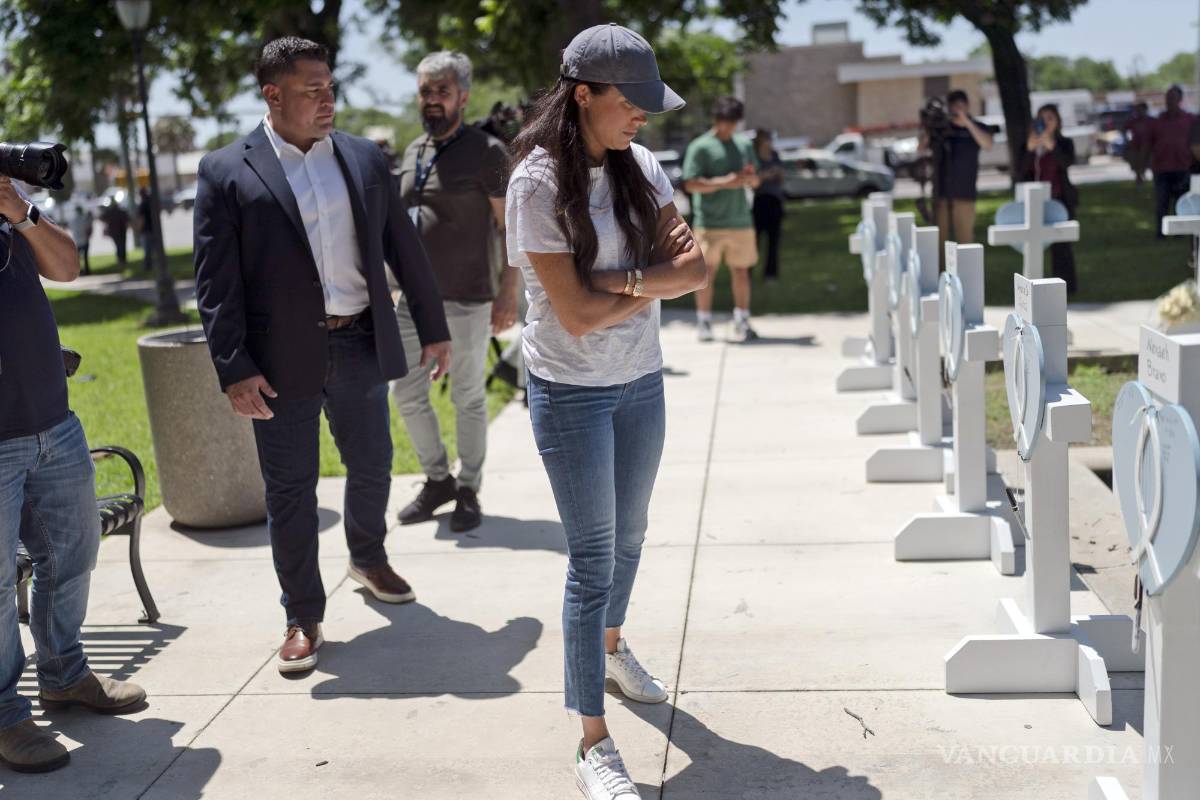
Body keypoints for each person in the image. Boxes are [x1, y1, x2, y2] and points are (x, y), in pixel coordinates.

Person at [192, 36, 452, 676]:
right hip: (278, 361)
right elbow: (214, 283)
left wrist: (434, 326)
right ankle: (302, 615)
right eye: (313, 91)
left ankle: (367, 556)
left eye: (331, 88)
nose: (328, 101)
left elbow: (404, 250)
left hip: (361, 337)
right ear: (272, 95)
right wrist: (234, 366)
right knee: (291, 490)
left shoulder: (364, 158)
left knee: (372, 464)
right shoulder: (227, 170)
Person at [507, 23, 706, 800]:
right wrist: (647, 279)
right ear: (582, 95)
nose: (644, 118)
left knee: (632, 535)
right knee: (591, 560)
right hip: (569, 393)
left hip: (641, 382)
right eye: (632, 102)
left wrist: (621, 283)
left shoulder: (641, 164)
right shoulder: (534, 183)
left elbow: (693, 269)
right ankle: (591, 740)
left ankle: (612, 649)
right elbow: (573, 317)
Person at [0, 177, 147, 774]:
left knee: (74, 552)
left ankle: (63, 674)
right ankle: (5, 713)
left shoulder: (10, 217)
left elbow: (67, 266)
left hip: (53, 425)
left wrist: (20, 211)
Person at [390, 51, 520, 534]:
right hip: (411, 300)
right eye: (425, 91)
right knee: (405, 392)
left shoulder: (487, 152)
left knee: (467, 395)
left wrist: (509, 292)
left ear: (463, 97)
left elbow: (512, 228)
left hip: (468, 296)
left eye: (441, 91)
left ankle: (468, 488)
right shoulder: (413, 151)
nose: (432, 100)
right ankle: (437, 479)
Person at [683, 96, 760, 342]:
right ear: (716, 120)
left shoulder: (743, 145)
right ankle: (704, 321)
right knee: (705, 273)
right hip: (709, 223)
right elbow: (691, 184)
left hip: (740, 221)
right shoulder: (701, 147)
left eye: (733, 123)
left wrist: (749, 179)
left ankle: (743, 319)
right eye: (725, 122)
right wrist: (724, 182)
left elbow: (756, 180)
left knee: (741, 272)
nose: (729, 128)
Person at [921, 89, 994, 255]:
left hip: (965, 194)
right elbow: (921, 148)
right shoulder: (941, 129)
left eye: (961, 106)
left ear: (968, 106)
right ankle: (940, 276)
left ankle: (965, 278)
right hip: (941, 194)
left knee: (965, 242)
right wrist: (929, 126)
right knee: (939, 244)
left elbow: (988, 144)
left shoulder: (978, 127)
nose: (958, 110)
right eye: (954, 106)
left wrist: (967, 123)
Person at [1021, 104, 1079, 294]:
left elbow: (1067, 162)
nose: (1045, 122)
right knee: (1032, 245)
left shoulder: (1064, 142)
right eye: (1042, 118)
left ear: (1057, 123)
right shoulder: (1029, 143)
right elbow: (1020, 171)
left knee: (1061, 245)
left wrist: (1051, 146)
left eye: (1050, 118)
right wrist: (1030, 150)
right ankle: (1032, 285)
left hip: (1059, 197)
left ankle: (1064, 286)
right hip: (1033, 201)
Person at [1149, 85, 1195, 238]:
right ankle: (1161, 233)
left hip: (1183, 166)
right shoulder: (1158, 121)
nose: (1169, 102)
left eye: (1172, 98)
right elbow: (1150, 144)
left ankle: (1181, 232)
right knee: (1162, 202)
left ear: (1180, 100)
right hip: (1162, 168)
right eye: (1167, 98)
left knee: (1181, 202)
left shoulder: (1189, 120)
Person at [751, 129, 785, 283]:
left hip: (775, 201)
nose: (769, 142)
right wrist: (766, 175)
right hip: (759, 201)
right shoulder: (754, 157)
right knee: (754, 241)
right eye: (766, 139)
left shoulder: (775, 156)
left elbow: (781, 177)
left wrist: (774, 174)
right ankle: (748, 272)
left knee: (774, 241)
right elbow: (754, 180)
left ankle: (770, 274)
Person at [1124, 101, 1153, 185]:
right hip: (1136, 147)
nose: (1139, 112)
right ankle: (1139, 178)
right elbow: (1124, 129)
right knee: (1135, 161)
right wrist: (1127, 140)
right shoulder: (1133, 121)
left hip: (1149, 147)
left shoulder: (1152, 121)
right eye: (1137, 110)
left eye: (1140, 110)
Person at [98, 199, 129, 266]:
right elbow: (127, 220)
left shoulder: (110, 212)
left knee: (118, 246)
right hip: (122, 232)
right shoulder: (121, 212)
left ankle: (121, 260)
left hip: (115, 232)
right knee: (122, 246)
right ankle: (122, 260)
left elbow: (101, 218)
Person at [68, 201, 94, 275]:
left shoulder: (73, 220)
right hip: (84, 240)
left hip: (77, 241)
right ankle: (87, 271)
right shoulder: (84, 219)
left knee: (78, 258)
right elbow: (89, 226)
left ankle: (80, 271)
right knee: (85, 257)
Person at [137, 187, 154, 271]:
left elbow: (142, 219)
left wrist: (139, 229)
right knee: (153, 250)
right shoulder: (151, 203)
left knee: (147, 250)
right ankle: (153, 266)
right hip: (153, 229)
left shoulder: (143, 205)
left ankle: (148, 267)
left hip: (146, 230)